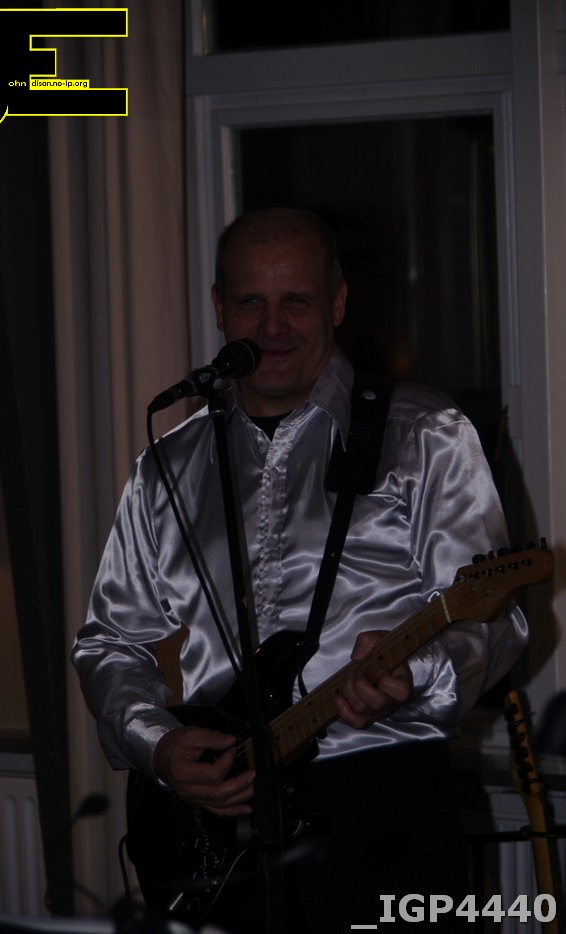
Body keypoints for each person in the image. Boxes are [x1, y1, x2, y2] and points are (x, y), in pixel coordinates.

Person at [72, 208, 528, 932]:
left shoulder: (424, 433)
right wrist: (156, 744)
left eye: (296, 301)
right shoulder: (168, 466)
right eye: (250, 301)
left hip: (384, 811)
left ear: (337, 303)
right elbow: (109, 641)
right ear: (219, 307)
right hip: (223, 823)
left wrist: (415, 672)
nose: (272, 326)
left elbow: (496, 622)